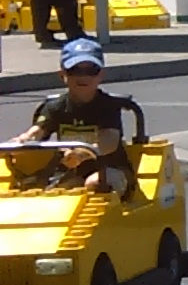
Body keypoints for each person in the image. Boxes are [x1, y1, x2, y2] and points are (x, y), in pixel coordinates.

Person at [14, 38, 136, 194]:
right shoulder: (56, 107)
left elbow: (109, 140)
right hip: (72, 171)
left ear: (101, 75)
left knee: (94, 183)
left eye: (91, 71)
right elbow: (37, 132)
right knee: (52, 189)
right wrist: (22, 141)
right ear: (62, 74)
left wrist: (83, 153)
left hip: (110, 169)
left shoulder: (107, 106)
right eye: (75, 70)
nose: (83, 77)